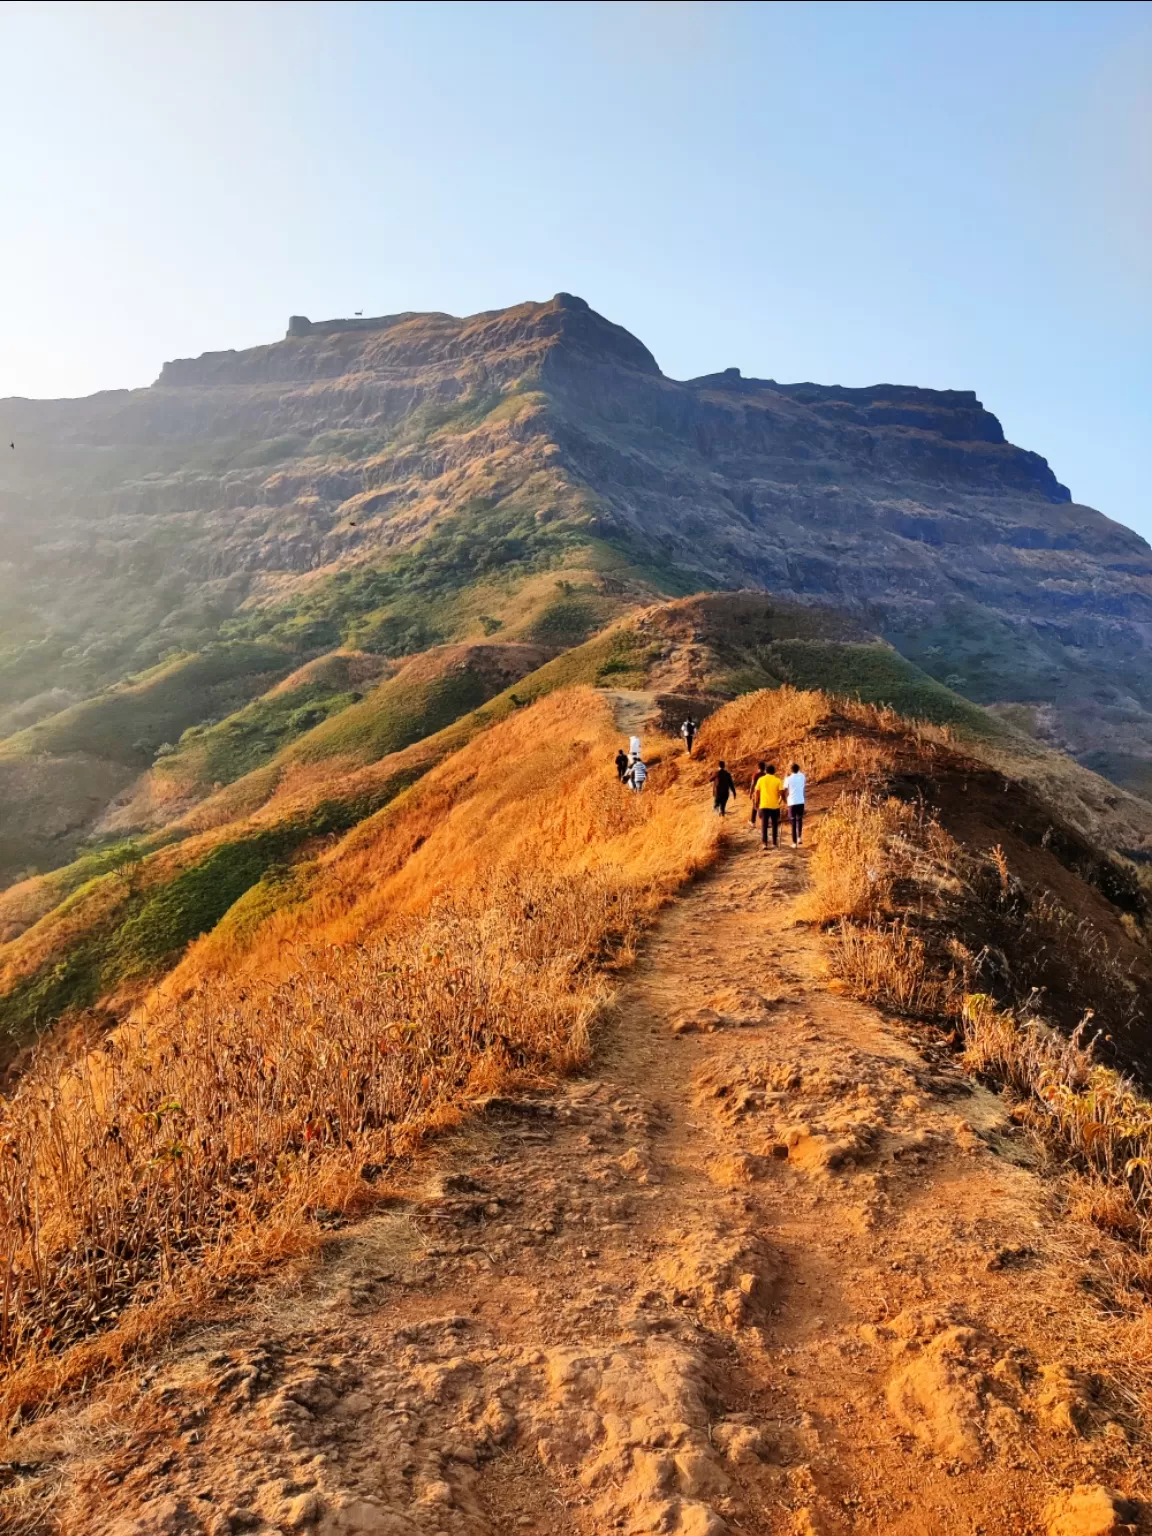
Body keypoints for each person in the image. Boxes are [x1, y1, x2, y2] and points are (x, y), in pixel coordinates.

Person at [751, 761, 785, 848]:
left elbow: (757, 792)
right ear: (774, 772)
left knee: (764, 825)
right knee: (774, 825)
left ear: (766, 771)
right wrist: (783, 801)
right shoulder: (778, 780)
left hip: (764, 805)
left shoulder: (761, 780)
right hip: (774, 806)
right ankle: (774, 843)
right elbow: (782, 793)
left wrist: (756, 803)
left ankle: (764, 843)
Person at [783, 761, 806, 845]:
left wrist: (784, 800)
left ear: (791, 770)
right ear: (798, 769)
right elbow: (799, 774)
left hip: (792, 802)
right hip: (801, 801)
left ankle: (794, 842)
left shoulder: (788, 779)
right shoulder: (802, 776)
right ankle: (799, 838)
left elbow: (784, 790)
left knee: (793, 822)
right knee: (799, 819)